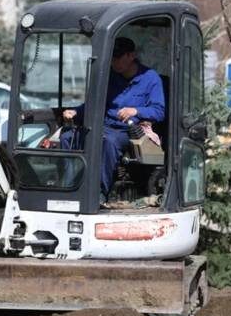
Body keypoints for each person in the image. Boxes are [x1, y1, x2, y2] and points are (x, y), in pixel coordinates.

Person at [61, 37, 165, 199]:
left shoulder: (150, 78)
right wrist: (75, 112)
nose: (114, 62)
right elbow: (93, 103)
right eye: (112, 57)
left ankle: (98, 193)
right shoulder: (108, 77)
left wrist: (135, 111)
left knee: (108, 142)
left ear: (131, 56)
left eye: (118, 57)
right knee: (68, 136)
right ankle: (69, 187)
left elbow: (158, 111)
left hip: (129, 130)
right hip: (103, 126)